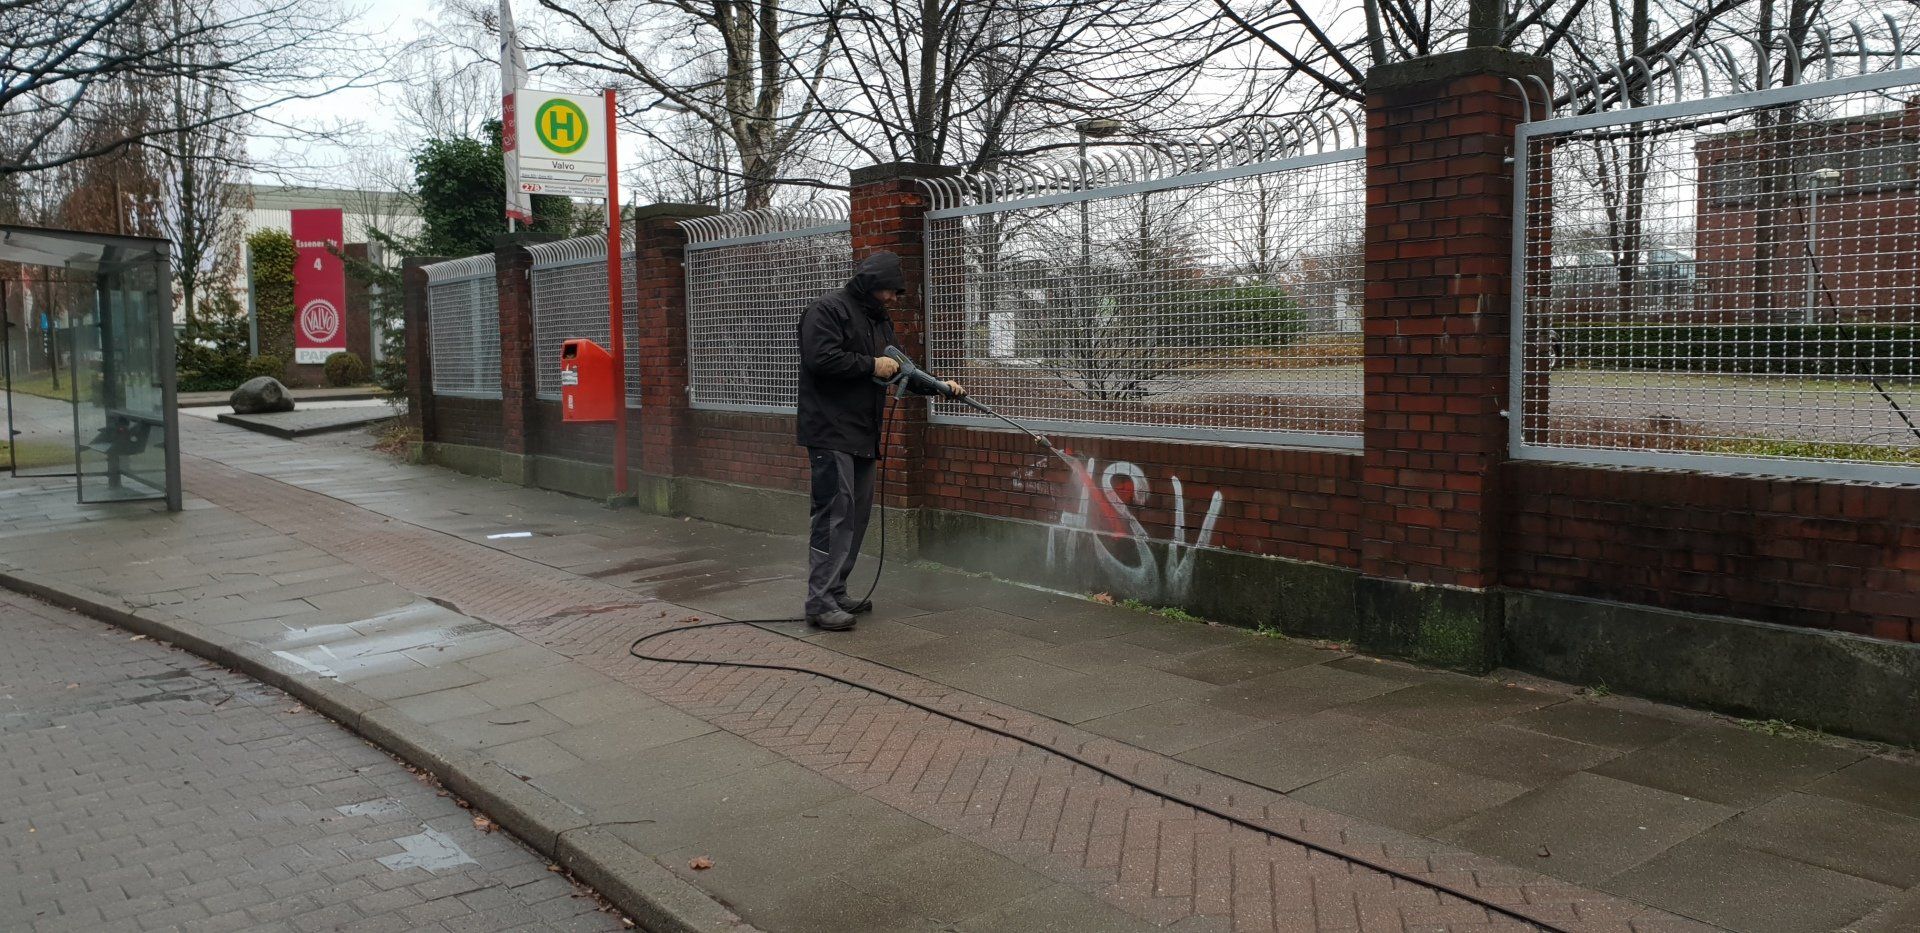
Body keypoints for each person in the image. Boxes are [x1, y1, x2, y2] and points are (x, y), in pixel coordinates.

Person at [796, 251, 963, 631]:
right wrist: (869, 364)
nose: (893, 298)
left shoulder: (880, 321)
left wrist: (939, 387)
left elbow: (901, 368)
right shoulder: (826, 310)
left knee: (854, 518)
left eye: (896, 292)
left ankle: (836, 592)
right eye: (889, 290)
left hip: (863, 434)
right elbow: (820, 360)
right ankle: (818, 603)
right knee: (832, 517)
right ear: (871, 282)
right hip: (829, 432)